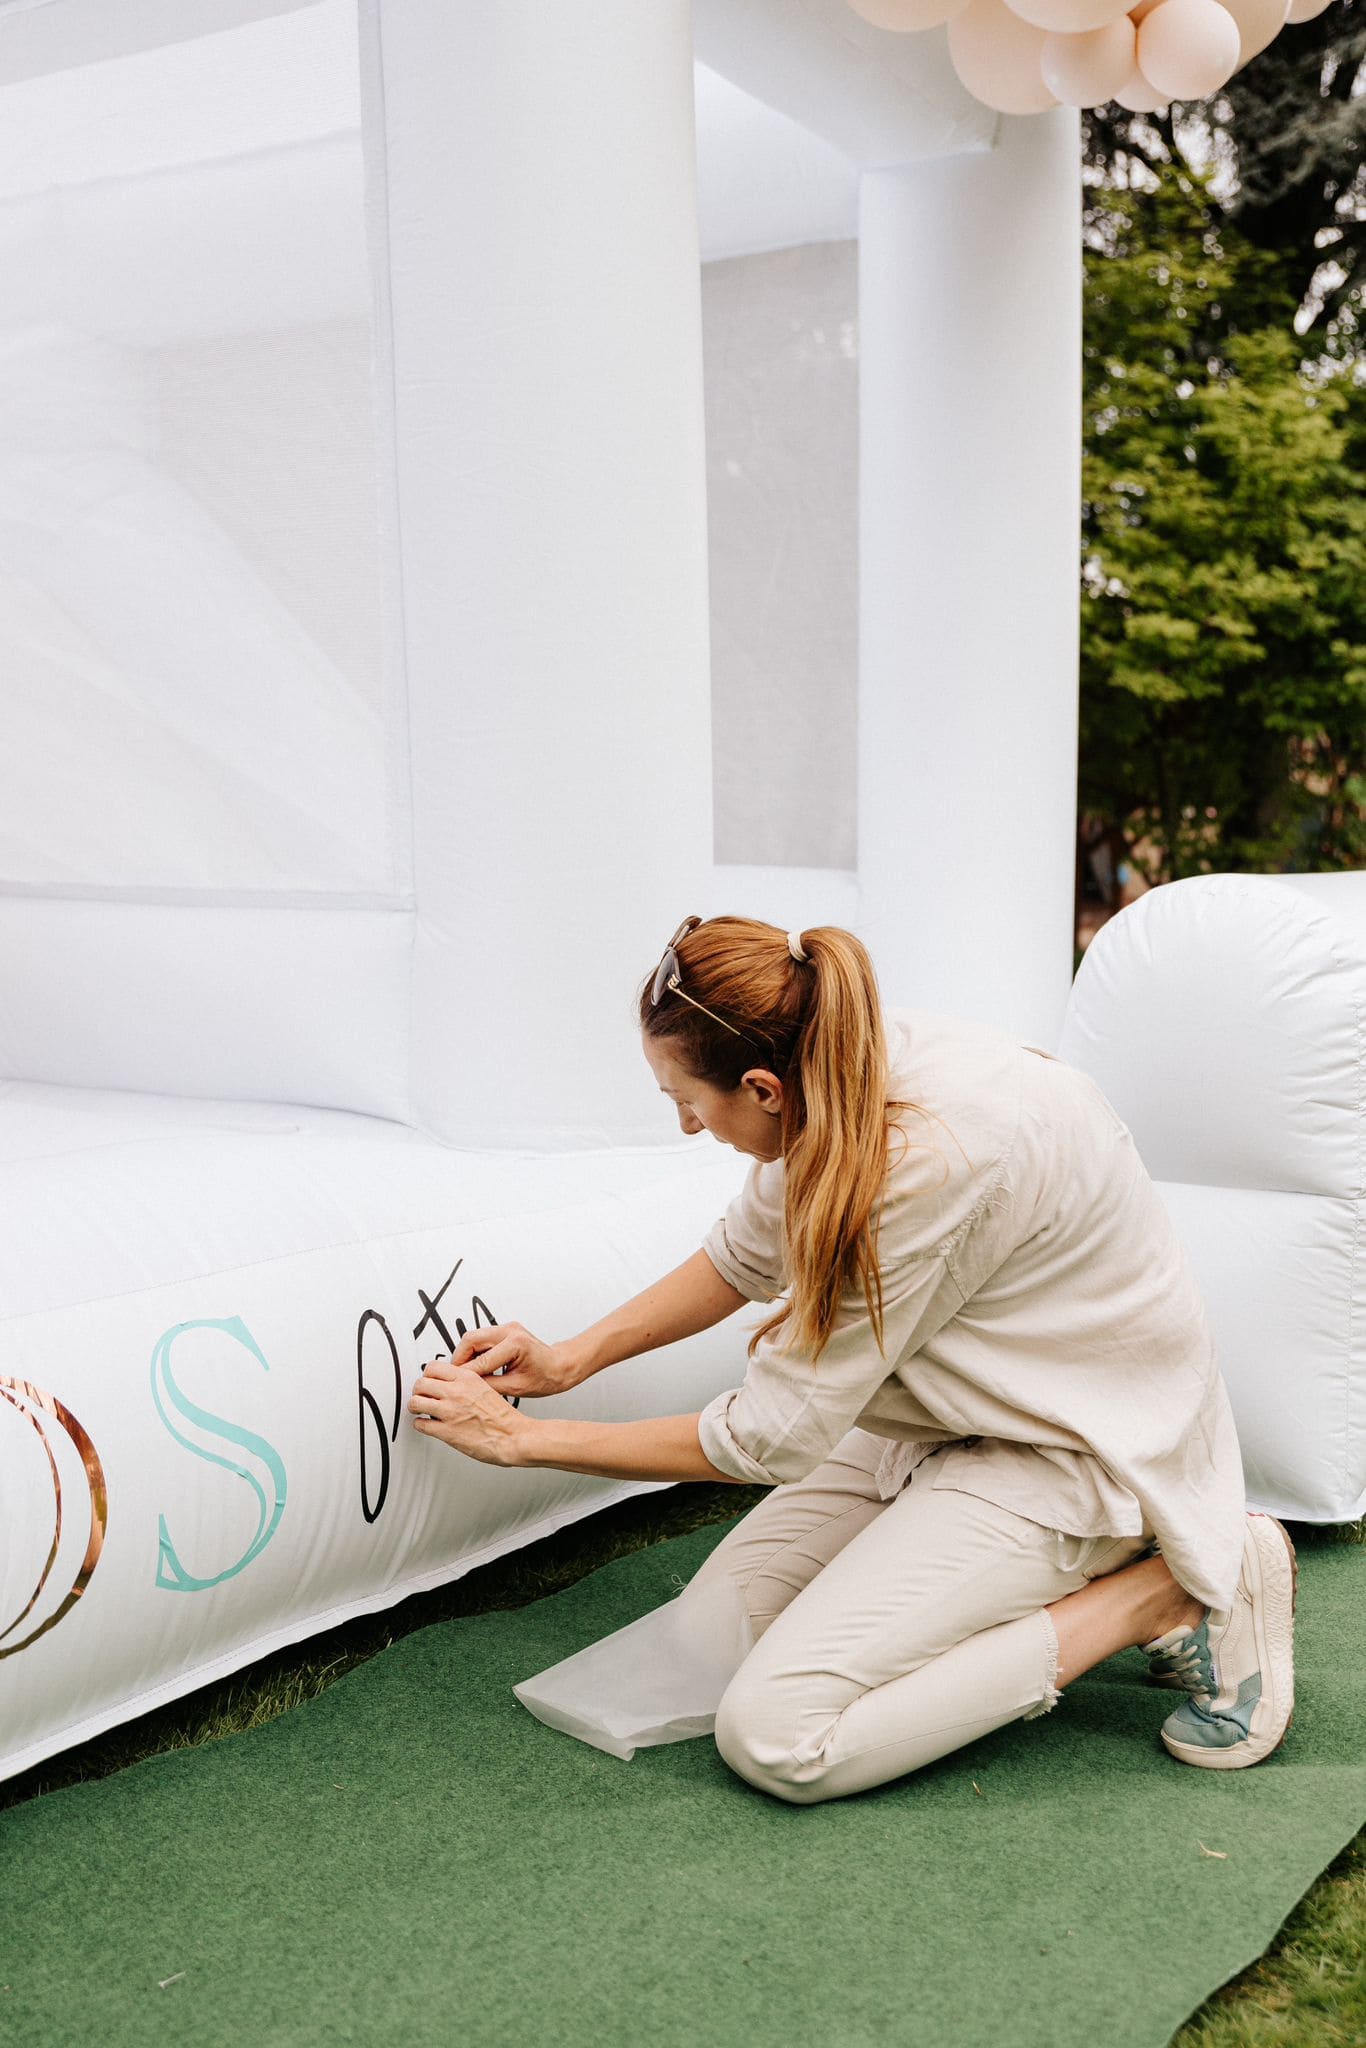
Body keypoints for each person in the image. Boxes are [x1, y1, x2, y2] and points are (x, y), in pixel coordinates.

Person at [407, 916, 1297, 1805]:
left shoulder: (927, 1158)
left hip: (1072, 1449)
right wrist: (570, 1359)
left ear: (759, 1087)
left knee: (778, 1734)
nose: (684, 1124)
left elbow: (767, 1440)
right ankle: (1022, 1582)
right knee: (717, 1634)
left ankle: (1163, 1593)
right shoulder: (828, 1057)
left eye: (685, 1099)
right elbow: (742, 1259)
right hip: (944, 1414)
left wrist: (526, 1442)